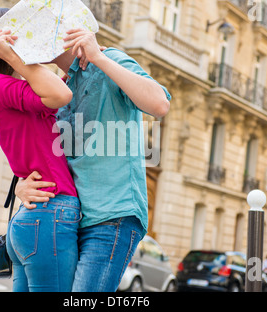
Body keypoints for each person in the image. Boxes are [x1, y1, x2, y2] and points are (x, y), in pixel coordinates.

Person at [15, 28, 172, 292]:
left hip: (113, 215)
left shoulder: (110, 59)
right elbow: (53, 159)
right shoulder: (60, 89)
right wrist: (21, 185)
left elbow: (159, 104)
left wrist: (98, 56)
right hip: (71, 218)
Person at [0, 8, 82, 292]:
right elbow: (62, 95)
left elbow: (62, 86)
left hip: (39, 215)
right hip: (51, 212)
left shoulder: (8, 88)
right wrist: (14, 56)